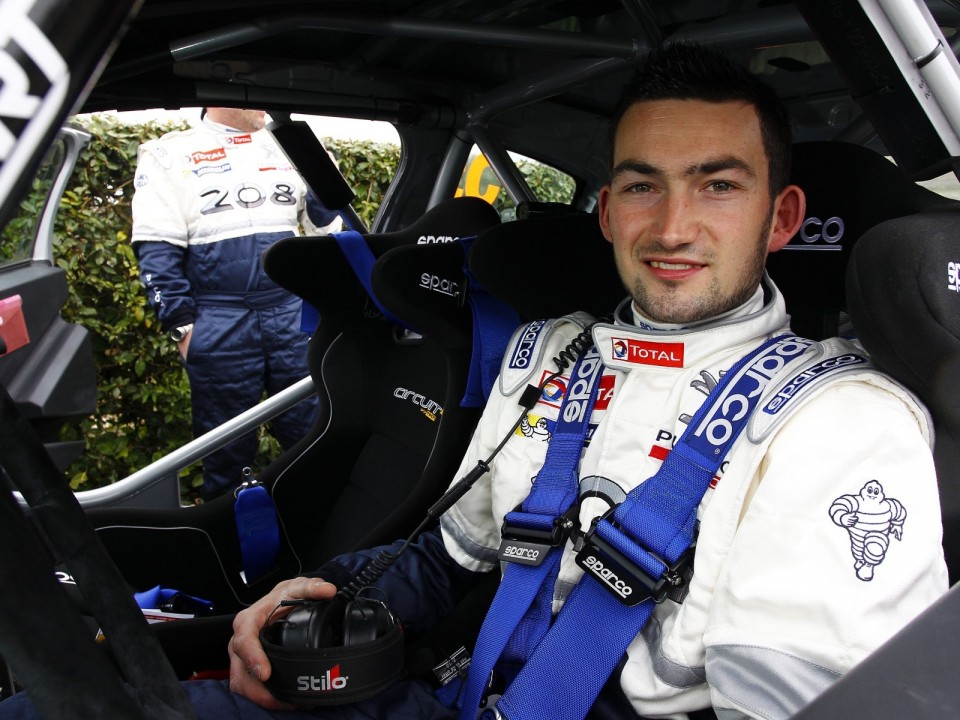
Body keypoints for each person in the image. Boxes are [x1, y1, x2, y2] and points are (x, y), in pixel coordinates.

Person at [0, 43, 946, 720]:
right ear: (608, 211)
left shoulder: (841, 424)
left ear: (781, 218)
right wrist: (304, 598)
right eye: (644, 186)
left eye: (718, 185)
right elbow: (447, 560)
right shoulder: (552, 354)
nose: (673, 228)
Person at [129, 107, 341, 500]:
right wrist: (182, 327)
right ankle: (231, 550)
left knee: (312, 437)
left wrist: (320, 186)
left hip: (290, 315)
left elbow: (328, 234)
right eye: (250, 92)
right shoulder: (169, 154)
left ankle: (317, 536)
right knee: (226, 457)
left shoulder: (290, 148)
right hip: (219, 322)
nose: (263, 102)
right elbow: (157, 252)